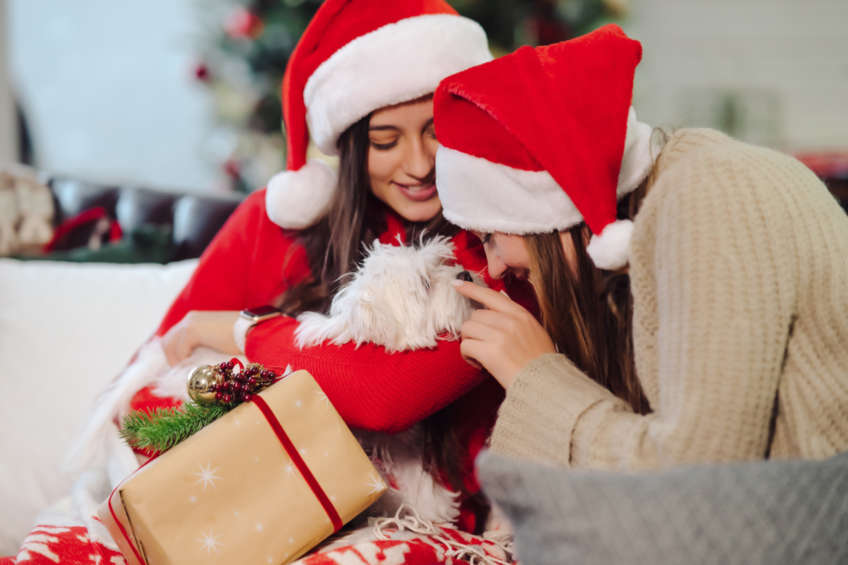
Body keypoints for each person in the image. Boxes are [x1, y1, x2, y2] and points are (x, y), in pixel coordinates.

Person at [125, 0, 509, 531]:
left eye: (436, 131)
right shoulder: (273, 224)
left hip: (435, 536)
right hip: (257, 521)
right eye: (385, 141)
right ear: (351, 145)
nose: (419, 165)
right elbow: (145, 395)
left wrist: (241, 331)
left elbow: (385, 397)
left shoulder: (501, 243)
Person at [433, 24, 848, 469]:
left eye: (492, 236)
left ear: (545, 206)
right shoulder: (664, 207)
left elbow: (700, 474)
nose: (493, 268)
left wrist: (534, 377)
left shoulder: (712, 195)